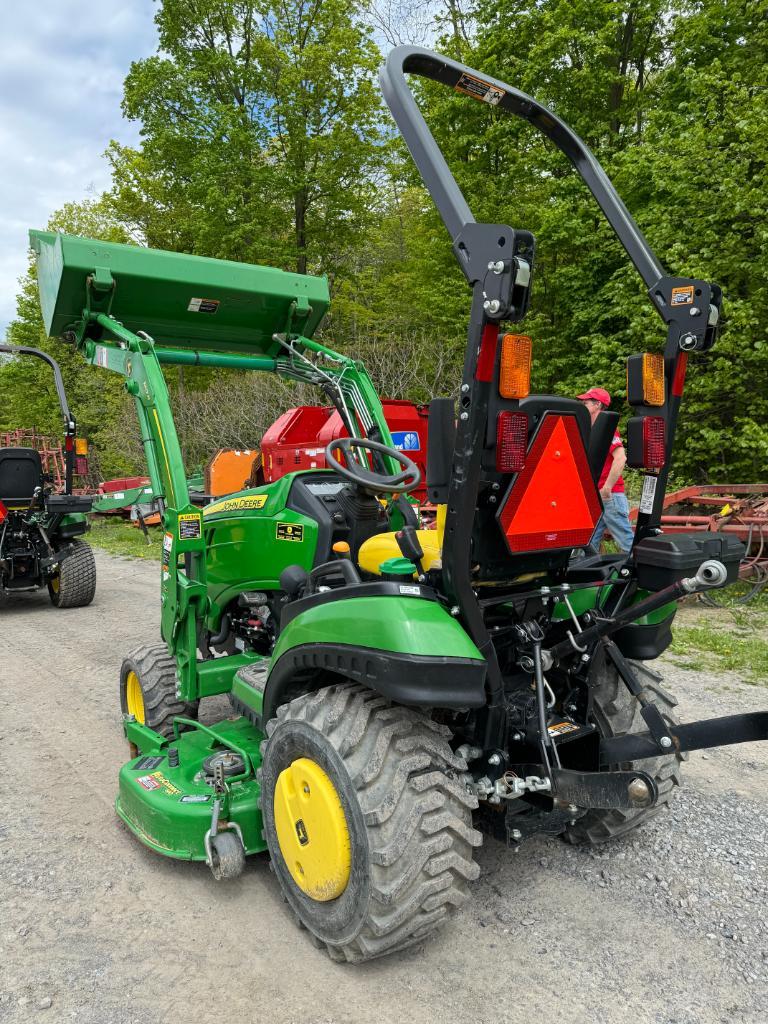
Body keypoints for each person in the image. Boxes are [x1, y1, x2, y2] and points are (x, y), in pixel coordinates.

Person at [577, 387, 635, 552]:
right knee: (589, 546)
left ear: (597, 405)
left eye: (585, 402)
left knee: (627, 543)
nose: (582, 405)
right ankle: (588, 576)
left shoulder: (607, 430)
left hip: (608, 495)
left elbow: (621, 458)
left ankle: (642, 573)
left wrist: (607, 488)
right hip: (597, 496)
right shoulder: (591, 429)